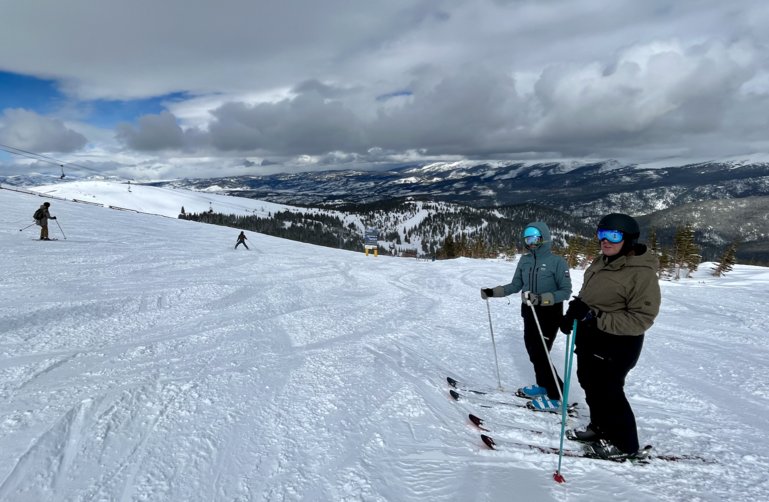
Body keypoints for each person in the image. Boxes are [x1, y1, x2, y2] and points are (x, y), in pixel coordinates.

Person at [560, 213, 661, 461]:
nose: (605, 241)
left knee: (610, 393)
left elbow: (641, 318)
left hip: (618, 344)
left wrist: (594, 317)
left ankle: (625, 444)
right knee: (589, 384)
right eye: (601, 234)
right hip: (591, 339)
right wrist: (575, 314)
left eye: (613, 236)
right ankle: (600, 429)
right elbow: (590, 297)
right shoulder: (602, 261)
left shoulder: (641, 273)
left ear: (628, 240)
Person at [481, 222, 572, 411]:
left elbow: (565, 291)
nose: (530, 243)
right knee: (533, 351)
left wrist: (541, 299)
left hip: (549, 313)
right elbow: (515, 285)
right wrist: (493, 292)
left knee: (541, 353)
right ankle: (543, 386)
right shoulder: (525, 260)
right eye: (527, 239)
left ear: (544, 238)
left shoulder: (557, 262)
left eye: (534, 238)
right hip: (529, 312)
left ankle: (557, 395)